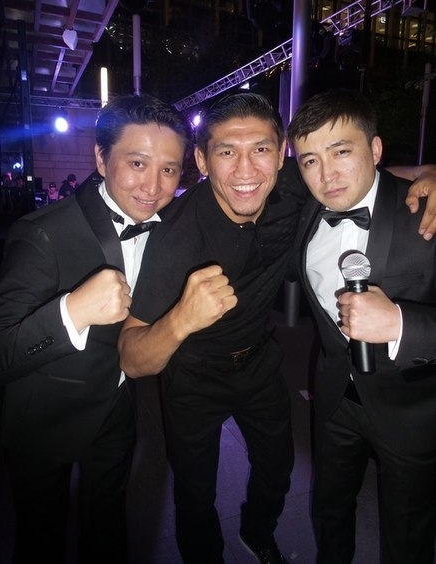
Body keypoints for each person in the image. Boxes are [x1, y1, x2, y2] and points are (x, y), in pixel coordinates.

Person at [0, 93, 192, 564]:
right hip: (43, 418)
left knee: (108, 527)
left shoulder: (169, 225)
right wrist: (72, 312)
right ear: (101, 158)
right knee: (40, 537)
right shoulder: (43, 233)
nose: (153, 186)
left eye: (169, 169)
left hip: (115, 410)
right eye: (136, 163)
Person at [119, 93, 308, 564]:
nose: (246, 170)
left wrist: (423, 174)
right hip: (193, 376)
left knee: (277, 466)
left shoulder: (292, 186)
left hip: (260, 362)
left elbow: (353, 178)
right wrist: (181, 318)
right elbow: (132, 358)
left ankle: (257, 532)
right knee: (195, 488)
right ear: (202, 161)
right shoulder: (175, 237)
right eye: (226, 151)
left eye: (260, 149)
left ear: (281, 153)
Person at [286, 88, 436, 564]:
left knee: (408, 534)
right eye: (310, 161)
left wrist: (400, 323)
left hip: (414, 411)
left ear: (374, 149)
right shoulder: (307, 208)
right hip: (334, 400)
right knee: (330, 511)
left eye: (341, 152)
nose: (326, 175)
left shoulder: (428, 212)